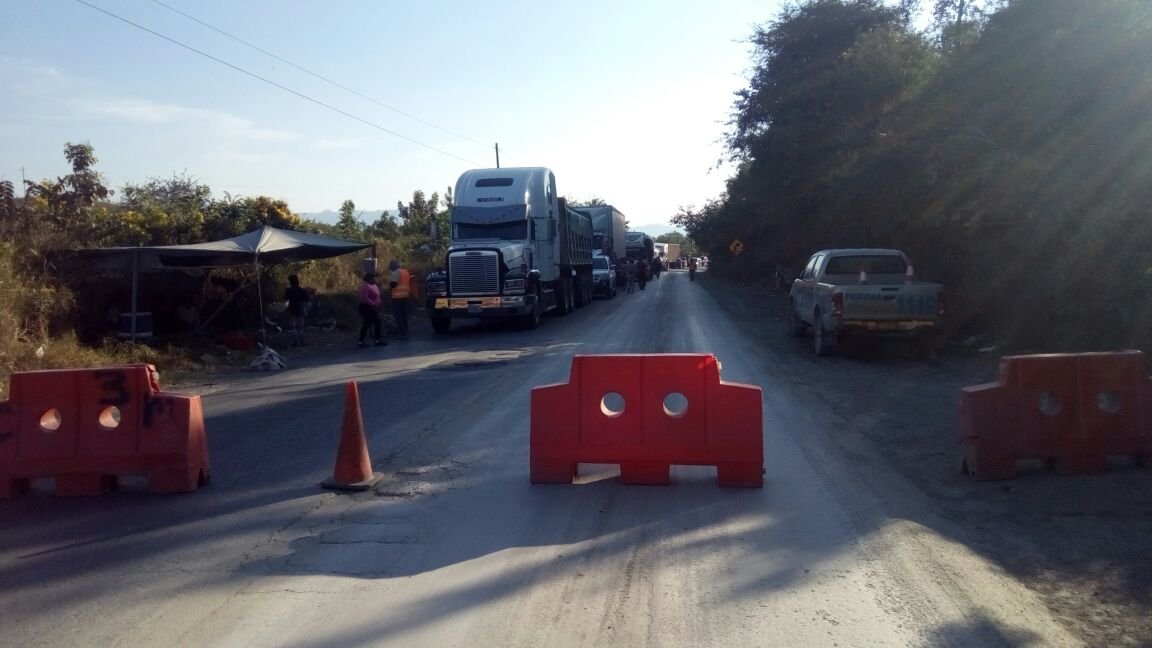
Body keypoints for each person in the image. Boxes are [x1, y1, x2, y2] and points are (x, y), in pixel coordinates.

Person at [357, 272, 387, 347]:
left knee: (369, 324)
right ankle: (372, 341)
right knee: (375, 322)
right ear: (369, 279)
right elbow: (364, 298)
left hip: (372, 307)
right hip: (366, 307)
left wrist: (380, 303)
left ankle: (363, 341)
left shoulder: (374, 286)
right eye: (373, 278)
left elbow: (377, 296)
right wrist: (373, 304)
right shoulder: (366, 286)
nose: (375, 279)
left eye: (375, 278)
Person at [283, 274, 311, 347]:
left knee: (294, 325)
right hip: (300, 307)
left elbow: (285, 298)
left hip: (292, 308)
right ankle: (301, 340)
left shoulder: (288, 290)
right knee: (300, 325)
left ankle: (295, 340)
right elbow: (307, 299)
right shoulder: (301, 290)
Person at [388, 259, 411, 338]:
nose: (389, 267)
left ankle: (402, 333)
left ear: (394, 265)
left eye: (390, 265)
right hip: (405, 296)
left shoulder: (395, 273)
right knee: (404, 314)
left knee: (398, 315)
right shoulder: (405, 272)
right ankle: (406, 330)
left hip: (397, 297)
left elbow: (394, 284)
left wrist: (389, 285)